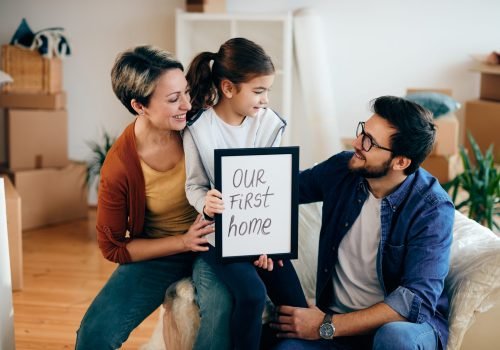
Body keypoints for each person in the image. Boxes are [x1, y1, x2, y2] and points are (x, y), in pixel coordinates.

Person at [75, 45, 232, 349]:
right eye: (173, 99)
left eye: (186, 92)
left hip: (216, 243)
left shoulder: (201, 123)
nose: (187, 104)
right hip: (164, 250)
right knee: (93, 336)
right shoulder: (120, 166)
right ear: (139, 106)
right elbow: (112, 247)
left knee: (219, 312)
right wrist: (182, 242)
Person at [269, 95, 455, 350]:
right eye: (362, 131)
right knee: (285, 348)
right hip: (337, 324)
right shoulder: (344, 168)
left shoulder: (432, 208)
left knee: (394, 339)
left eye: (369, 142)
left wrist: (325, 325)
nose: (357, 143)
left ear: (400, 162)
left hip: (402, 329)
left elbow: (415, 300)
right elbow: (285, 189)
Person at [183, 37, 308, 350]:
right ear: (228, 88)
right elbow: (194, 185)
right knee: (251, 295)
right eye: (258, 91)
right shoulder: (198, 128)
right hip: (219, 235)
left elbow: (273, 188)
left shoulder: (269, 124)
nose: (265, 100)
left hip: (262, 232)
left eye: (267, 90)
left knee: (296, 305)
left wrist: (265, 241)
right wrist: (205, 202)